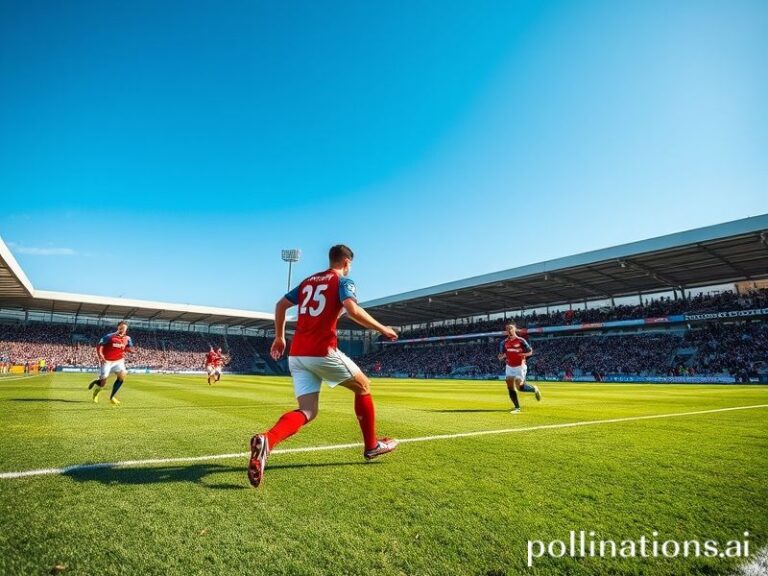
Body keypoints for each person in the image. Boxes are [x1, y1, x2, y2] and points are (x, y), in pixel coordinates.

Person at [248, 244, 399, 488]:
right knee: (363, 386)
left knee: (307, 411)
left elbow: (280, 305)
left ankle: (268, 440)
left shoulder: (309, 281)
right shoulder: (342, 282)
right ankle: (371, 446)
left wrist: (279, 336)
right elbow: (352, 310)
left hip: (297, 354)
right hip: (321, 351)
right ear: (347, 262)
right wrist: (383, 329)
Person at [497, 321, 541, 413]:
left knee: (520, 387)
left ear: (514, 330)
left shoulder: (521, 340)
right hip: (509, 367)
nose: (509, 330)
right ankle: (517, 408)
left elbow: (530, 352)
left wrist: (522, 354)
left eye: (510, 328)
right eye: (507, 329)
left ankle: (534, 389)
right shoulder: (503, 343)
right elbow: (502, 355)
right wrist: (501, 357)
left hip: (520, 366)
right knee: (510, 387)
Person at [87, 321, 134, 405]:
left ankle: (112, 397)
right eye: (121, 327)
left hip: (119, 360)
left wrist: (130, 350)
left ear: (126, 329)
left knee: (122, 376)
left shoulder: (128, 338)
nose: (122, 329)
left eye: (124, 328)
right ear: (118, 327)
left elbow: (128, 348)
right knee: (103, 381)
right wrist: (101, 356)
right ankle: (96, 391)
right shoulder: (109, 336)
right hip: (107, 361)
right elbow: (99, 346)